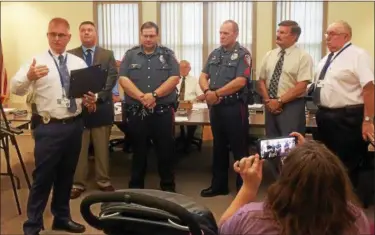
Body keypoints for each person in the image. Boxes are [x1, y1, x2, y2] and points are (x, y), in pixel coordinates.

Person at [10, 17, 96, 235]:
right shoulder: (35, 61)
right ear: (48, 36)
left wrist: (89, 100)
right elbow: (16, 89)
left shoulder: (79, 63)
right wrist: (29, 77)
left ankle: (62, 217)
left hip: (74, 125)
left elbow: (86, 94)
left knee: (66, 176)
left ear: (68, 37)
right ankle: (33, 225)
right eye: (52, 34)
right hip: (49, 128)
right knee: (43, 178)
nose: (57, 39)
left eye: (61, 35)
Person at [219, 132, 371, 235]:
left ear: (285, 181)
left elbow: (222, 229)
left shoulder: (252, 219)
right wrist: (308, 153)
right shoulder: (355, 219)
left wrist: (248, 188)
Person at [312, 20, 374, 189]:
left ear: (346, 36)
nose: (327, 38)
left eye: (332, 34)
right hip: (325, 116)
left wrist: (368, 120)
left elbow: (369, 89)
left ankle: (347, 205)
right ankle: (331, 200)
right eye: (327, 34)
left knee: (346, 165)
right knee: (328, 162)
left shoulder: (358, 55)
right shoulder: (326, 58)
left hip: (347, 118)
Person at [118, 21, 179, 192]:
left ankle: (168, 187)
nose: (148, 39)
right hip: (138, 112)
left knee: (165, 151)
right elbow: (123, 79)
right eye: (145, 35)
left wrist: (154, 95)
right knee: (139, 151)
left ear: (157, 36)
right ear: (140, 35)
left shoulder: (168, 55)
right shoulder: (130, 55)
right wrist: (141, 97)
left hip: (162, 112)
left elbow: (174, 77)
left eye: (152, 35)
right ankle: (136, 188)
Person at [199, 20, 251, 197]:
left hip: (234, 107)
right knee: (218, 147)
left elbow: (240, 81)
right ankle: (218, 185)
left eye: (226, 33)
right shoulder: (214, 54)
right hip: (217, 108)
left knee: (239, 148)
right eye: (220, 33)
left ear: (236, 34)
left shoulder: (243, 54)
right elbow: (203, 75)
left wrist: (217, 93)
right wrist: (207, 91)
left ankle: (243, 187)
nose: (221, 36)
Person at [68, 21, 118, 199]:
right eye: (83, 30)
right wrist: (83, 99)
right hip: (79, 109)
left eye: (90, 30)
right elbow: (69, 80)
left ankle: (103, 181)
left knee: (102, 147)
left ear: (95, 33)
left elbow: (112, 77)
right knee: (79, 149)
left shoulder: (107, 54)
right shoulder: (70, 54)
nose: (86, 33)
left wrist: (97, 97)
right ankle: (77, 183)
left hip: (101, 107)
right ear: (79, 34)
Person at [257, 20, 313, 137]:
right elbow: (261, 80)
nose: (278, 35)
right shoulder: (269, 55)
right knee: (271, 144)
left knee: (291, 144)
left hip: (291, 106)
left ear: (294, 36)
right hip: (270, 105)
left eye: (282, 32)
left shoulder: (303, 57)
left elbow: (302, 85)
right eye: (278, 31)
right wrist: (268, 101)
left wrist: (279, 101)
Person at [176, 60, 205, 153]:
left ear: (189, 69)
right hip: (176, 106)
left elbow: (201, 95)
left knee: (192, 122)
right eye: (181, 67)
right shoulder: (174, 79)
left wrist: (195, 100)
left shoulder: (194, 80)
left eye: (185, 67)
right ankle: (173, 143)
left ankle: (187, 142)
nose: (183, 70)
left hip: (191, 106)